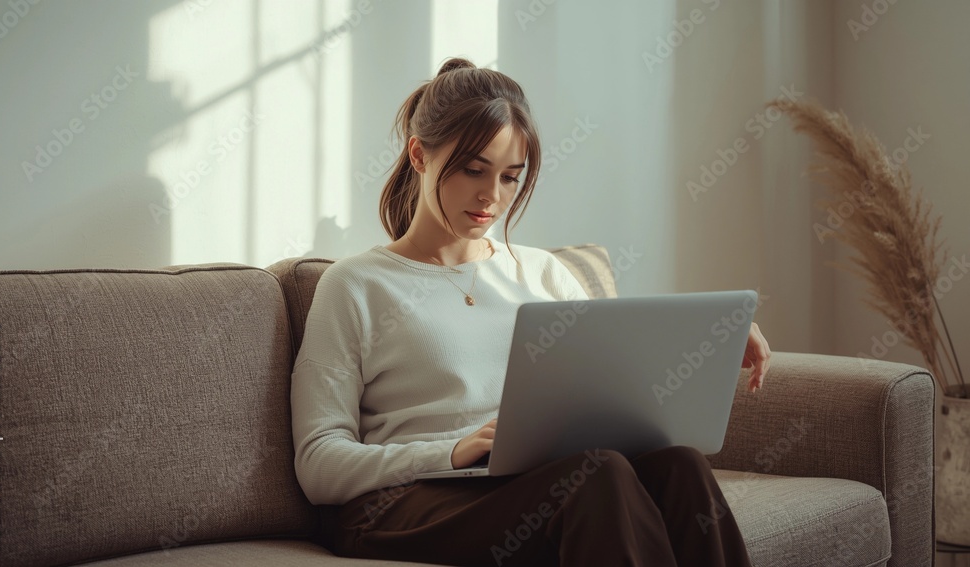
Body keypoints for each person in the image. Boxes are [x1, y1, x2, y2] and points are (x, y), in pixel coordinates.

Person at [291, 57, 772, 567]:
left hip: (524, 486)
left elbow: (620, 384)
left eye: (510, 178)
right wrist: (453, 452)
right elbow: (319, 465)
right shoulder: (356, 285)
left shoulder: (542, 274)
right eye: (473, 170)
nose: (490, 197)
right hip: (402, 505)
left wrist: (712, 339)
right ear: (418, 155)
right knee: (595, 474)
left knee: (679, 465)